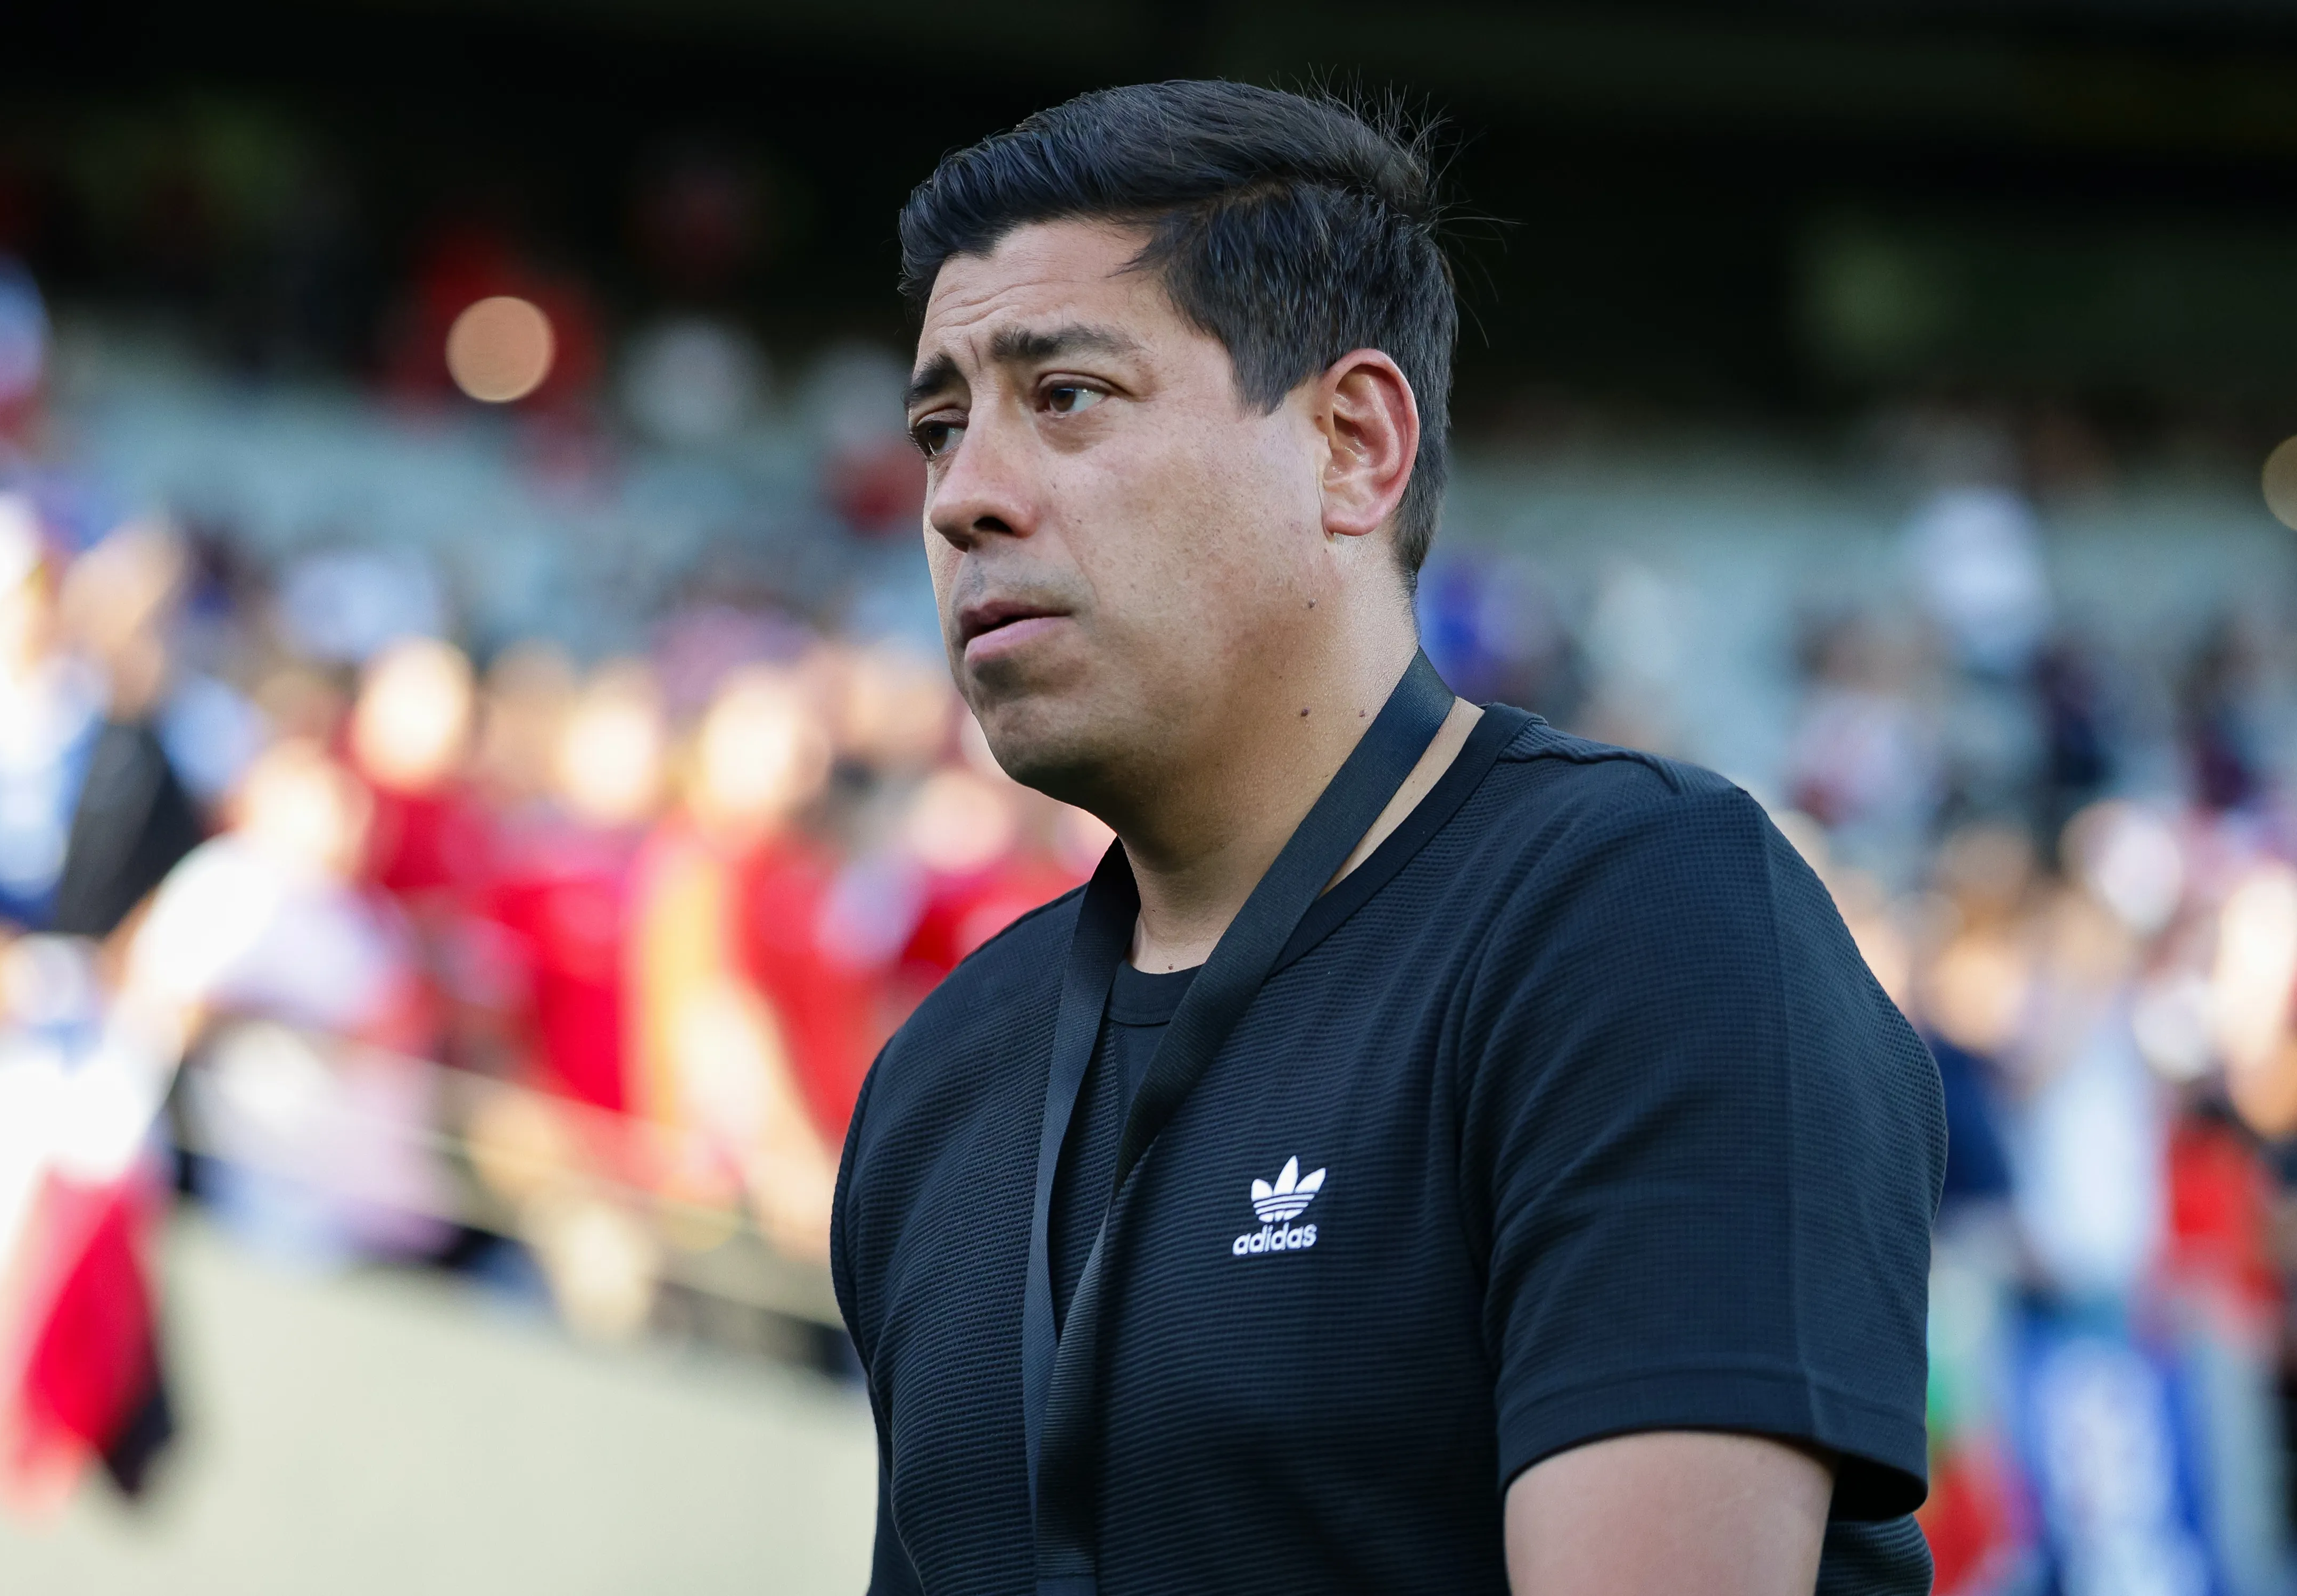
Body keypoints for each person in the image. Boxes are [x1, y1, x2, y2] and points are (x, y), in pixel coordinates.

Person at [831, 81, 1946, 1596]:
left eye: (1066, 397)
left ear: (1352, 444)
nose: (962, 496)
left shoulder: (1640, 922)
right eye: (939, 426)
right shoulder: (943, 1073)